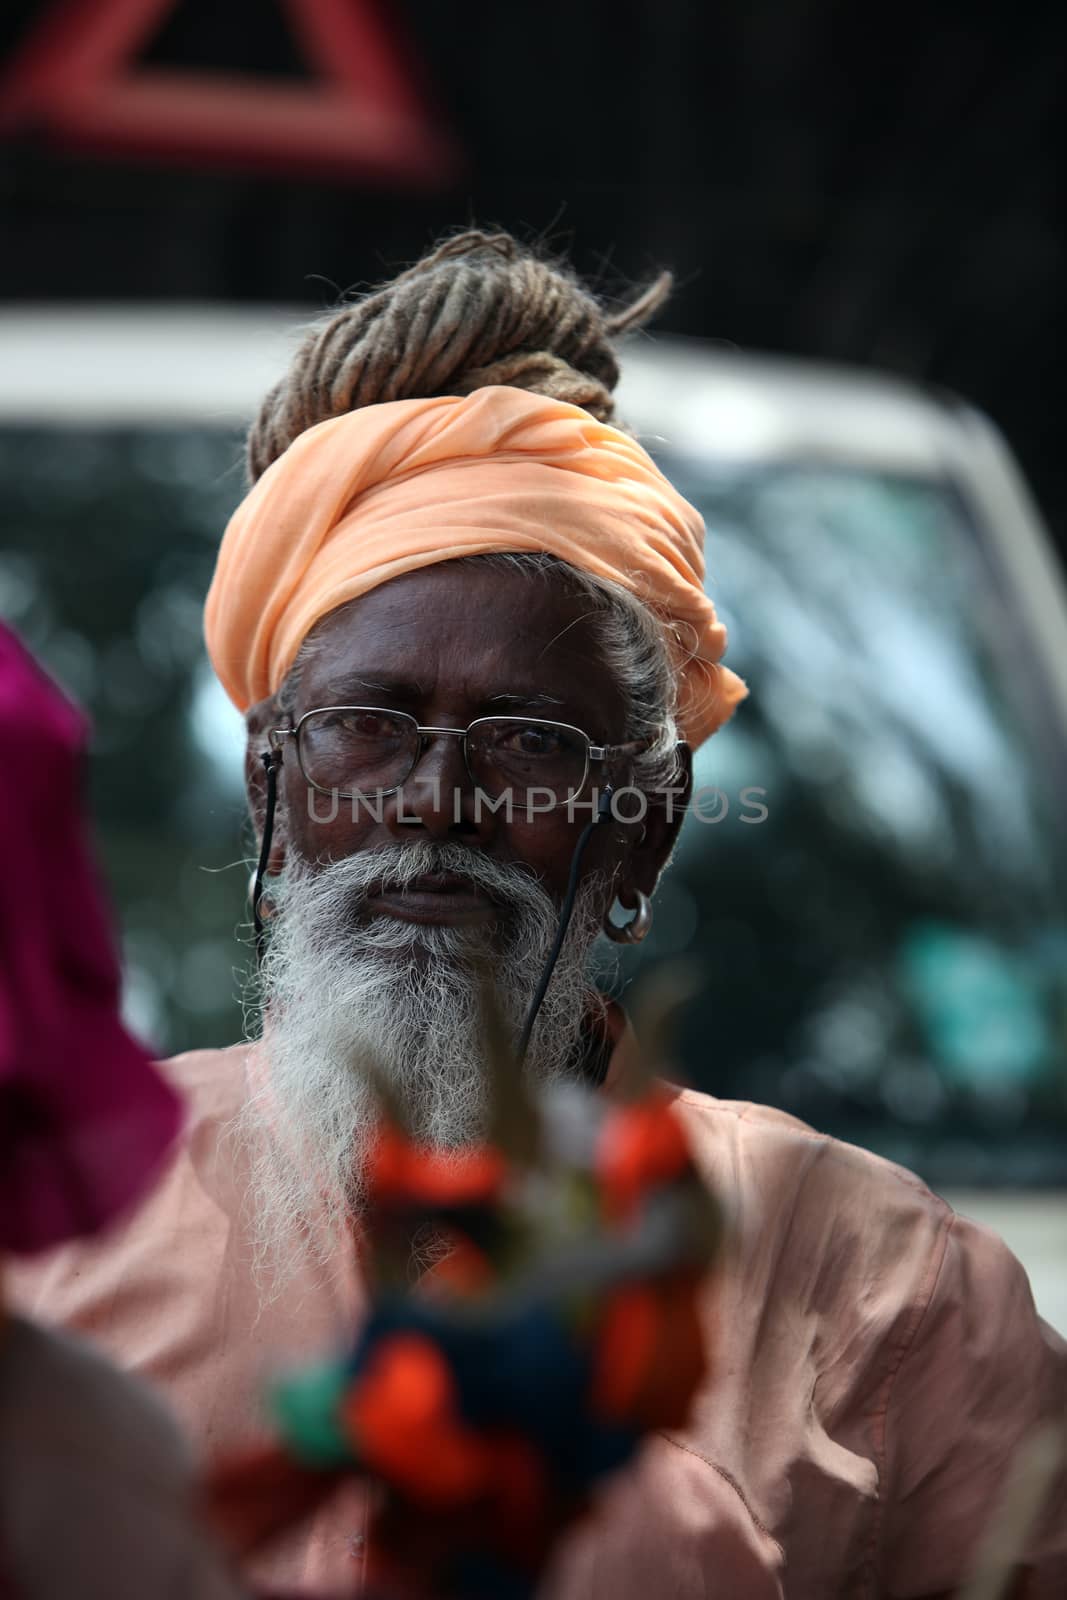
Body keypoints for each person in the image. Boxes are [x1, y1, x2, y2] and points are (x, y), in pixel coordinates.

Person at [12, 232, 1066, 1598]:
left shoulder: (890, 1306)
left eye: (527, 742)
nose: (436, 799)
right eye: (365, 728)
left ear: (646, 827)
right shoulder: (56, 1270)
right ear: (273, 794)